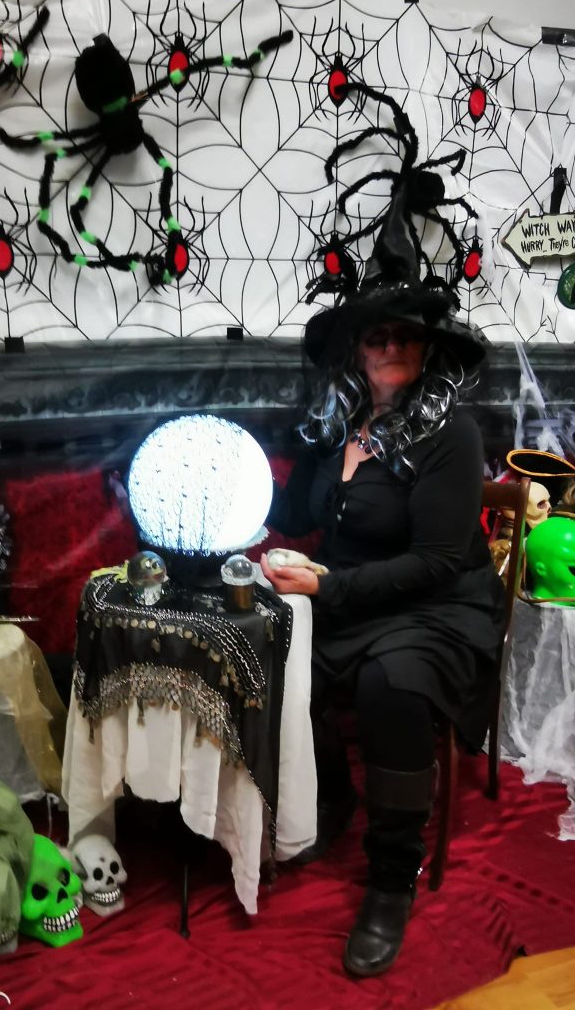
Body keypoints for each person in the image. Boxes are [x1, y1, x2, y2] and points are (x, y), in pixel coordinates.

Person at [260, 87, 505, 977]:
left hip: (437, 609)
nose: (389, 348)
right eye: (375, 339)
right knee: (273, 648)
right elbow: (296, 519)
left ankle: (391, 877)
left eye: (404, 336)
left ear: (427, 347)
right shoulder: (342, 424)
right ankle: (324, 804)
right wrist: (247, 488)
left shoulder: (452, 430)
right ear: (356, 352)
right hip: (355, 598)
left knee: (395, 684)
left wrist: (326, 586)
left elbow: (439, 559)